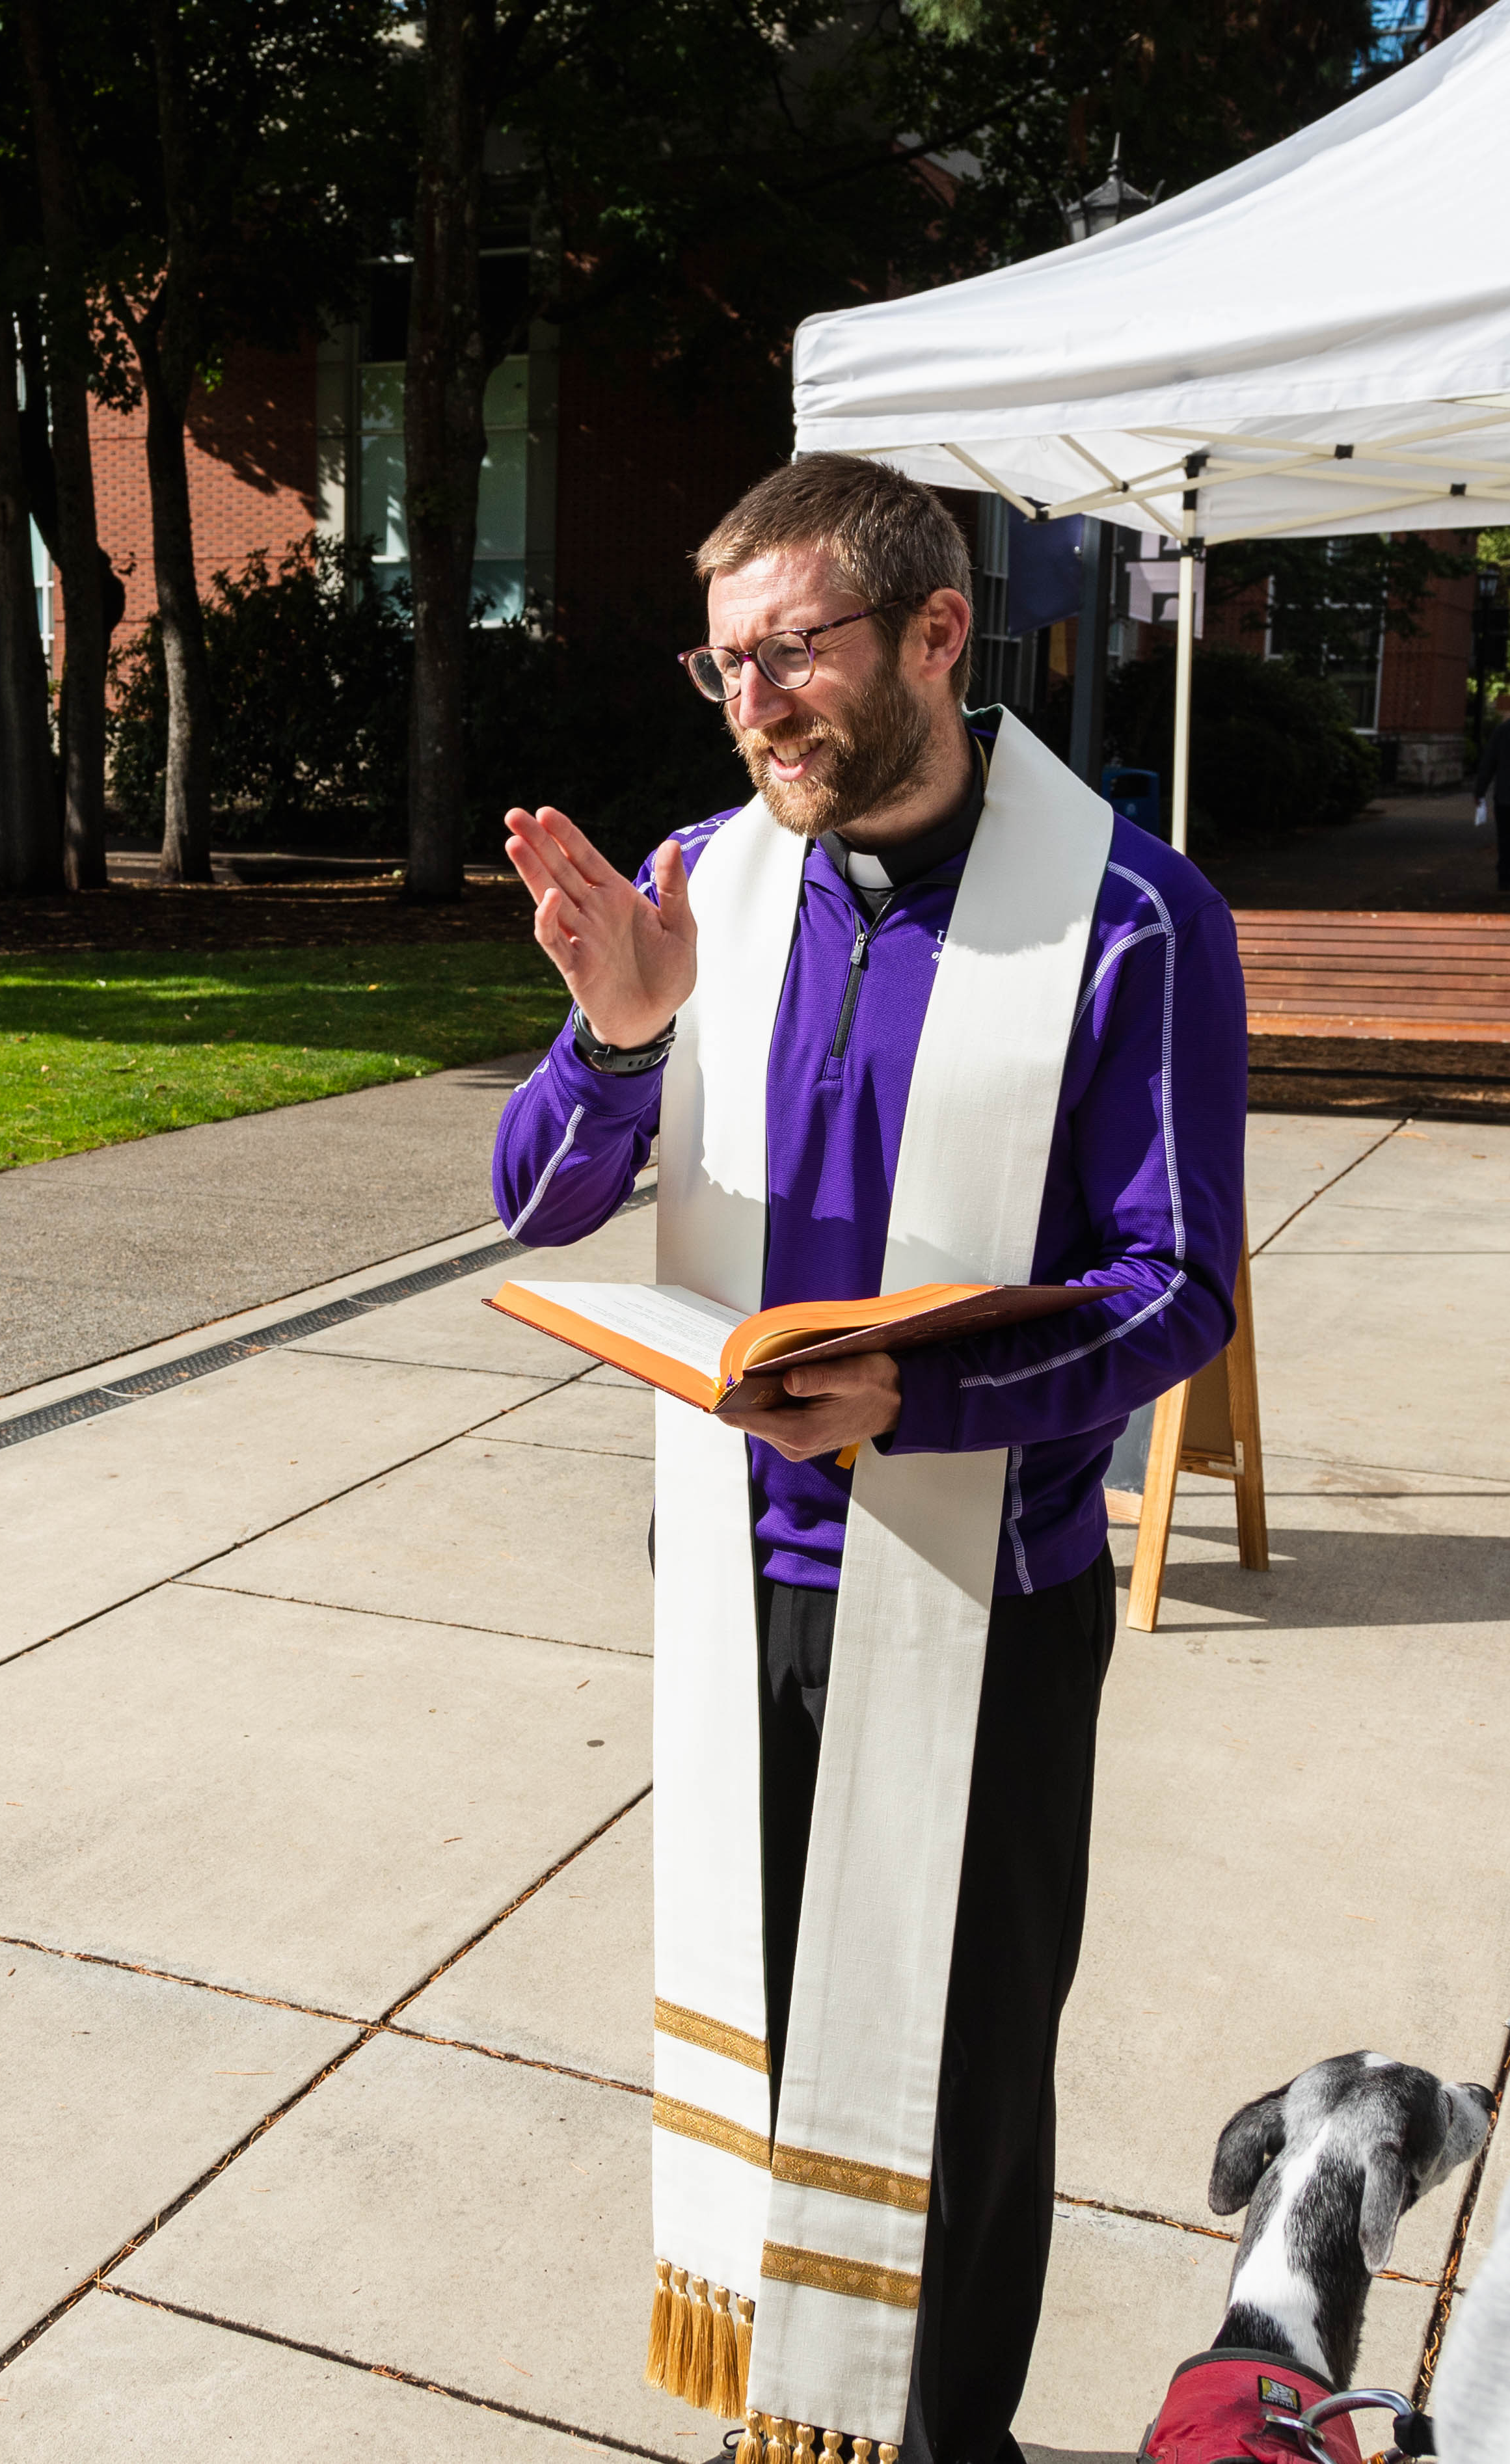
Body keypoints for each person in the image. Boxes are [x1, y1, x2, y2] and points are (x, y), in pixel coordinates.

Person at [489, 457, 1247, 2464]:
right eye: (725, 663)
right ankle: (784, 2412)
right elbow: (530, 1196)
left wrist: (930, 1403)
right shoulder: (703, 883)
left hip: (982, 1593)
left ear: (934, 631)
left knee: (959, 2071)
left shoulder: (1131, 919)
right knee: (760, 2024)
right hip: (736, 1574)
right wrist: (621, 1040)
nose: (755, 704)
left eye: (792, 650)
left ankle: (937, 2443)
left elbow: (1177, 1294)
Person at [1472, 688, 1508, 892]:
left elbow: (1488, 764)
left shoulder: (1502, 732)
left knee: (1505, 839)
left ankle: (1505, 879)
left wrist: (1479, 791)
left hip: (1505, 797)